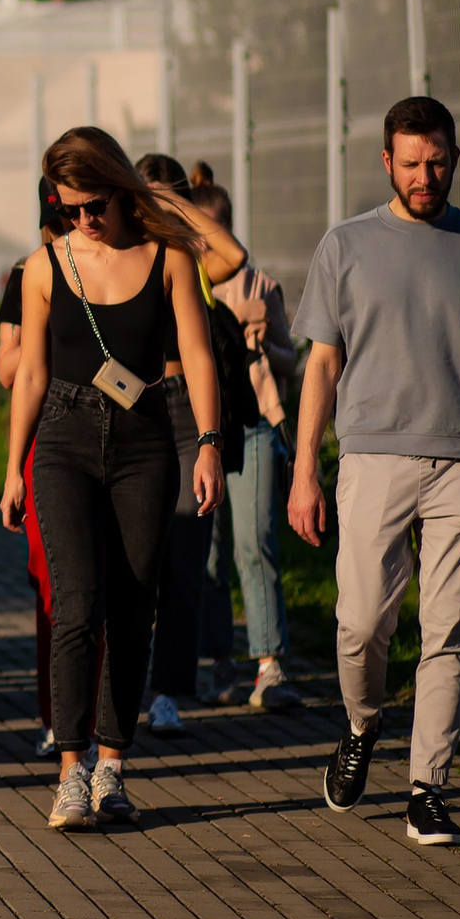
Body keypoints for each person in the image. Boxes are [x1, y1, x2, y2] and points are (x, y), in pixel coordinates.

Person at [289, 96, 460, 848]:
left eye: (437, 161)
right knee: (362, 622)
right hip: (371, 458)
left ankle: (428, 788)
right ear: (386, 163)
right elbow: (321, 364)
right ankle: (363, 726)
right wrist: (306, 469)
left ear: (455, 159)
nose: (424, 175)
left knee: (448, 631)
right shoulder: (346, 244)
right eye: (410, 162)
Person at [0, 126, 223, 833]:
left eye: (94, 204)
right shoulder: (44, 265)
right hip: (62, 438)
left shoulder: (168, 257)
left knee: (133, 603)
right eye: (68, 208)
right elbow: (30, 371)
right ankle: (70, 771)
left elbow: (197, 349)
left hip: (147, 441)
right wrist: (12, 467)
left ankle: (113, 766)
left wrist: (210, 444)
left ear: (120, 189)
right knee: (77, 603)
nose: (84, 221)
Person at [133, 151, 251, 736]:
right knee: (133, 560)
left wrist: (175, 203)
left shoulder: (189, 258)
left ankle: (166, 692)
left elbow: (233, 256)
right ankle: (121, 682)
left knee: (185, 558)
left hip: (186, 411)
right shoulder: (127, 251)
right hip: (132, 406)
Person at [182, 170, 303, 710]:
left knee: (255, 543)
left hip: (252, 423)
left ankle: (269, 664)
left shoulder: (260, 285)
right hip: (204, 428)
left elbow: (290, 358)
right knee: (207, 555)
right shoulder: (183, 280)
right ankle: (220, 666)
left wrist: (257, 340)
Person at [0, 178, 71, 757]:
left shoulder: (123, 264)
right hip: (46, 441)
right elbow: (6, 370)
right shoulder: (28, 274)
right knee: (53, 585)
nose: (70, 229)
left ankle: (102, 721)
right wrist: (48, 309)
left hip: (115, 437)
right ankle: (59, 717)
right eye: (61, 219)